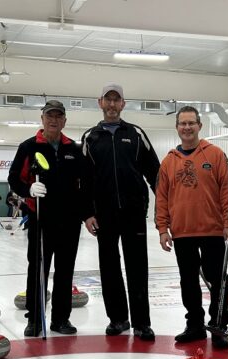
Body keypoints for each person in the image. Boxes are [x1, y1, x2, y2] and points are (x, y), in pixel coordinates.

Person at [81, 83, 160, 342]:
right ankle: (117, 319)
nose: (112, 104)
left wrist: (165, 206)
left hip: (134, 213)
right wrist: (87, 213)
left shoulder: (136, 134)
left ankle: (142, 323)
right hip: (104, 215)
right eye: (108, 99)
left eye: (117, 100)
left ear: (123, 104)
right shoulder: (90, 138)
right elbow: (84, 181)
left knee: (137, 267)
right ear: (100, 103)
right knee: (109, 268)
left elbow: (155, 173)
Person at [8, 100, 90, 337]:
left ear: (64, 121)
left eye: (58, 116)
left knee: (65, 271)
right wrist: (28, 190)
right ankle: (35, 319)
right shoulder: (28, 147)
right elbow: (14, 178)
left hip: (69, 221)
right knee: (38, 269)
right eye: (49, 116)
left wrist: (86, 214)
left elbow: (84, 184)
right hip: (41, 219)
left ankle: (61, 319)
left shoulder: (73, 149)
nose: (54, 120)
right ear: (42, 119)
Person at [155, 106, 228, 349]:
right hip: (182, 232)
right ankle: (195, 325)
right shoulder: (168, 161)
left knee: (217, 279)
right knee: (188, 281)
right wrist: (162, 229)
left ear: (200, 125)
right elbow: (161, 197)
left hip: (212, 230)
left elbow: (227, 190)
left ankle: (219, 324)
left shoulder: (215, 155)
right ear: (177, 127)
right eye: (183, 123)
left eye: (191, 123)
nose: (187, 127)